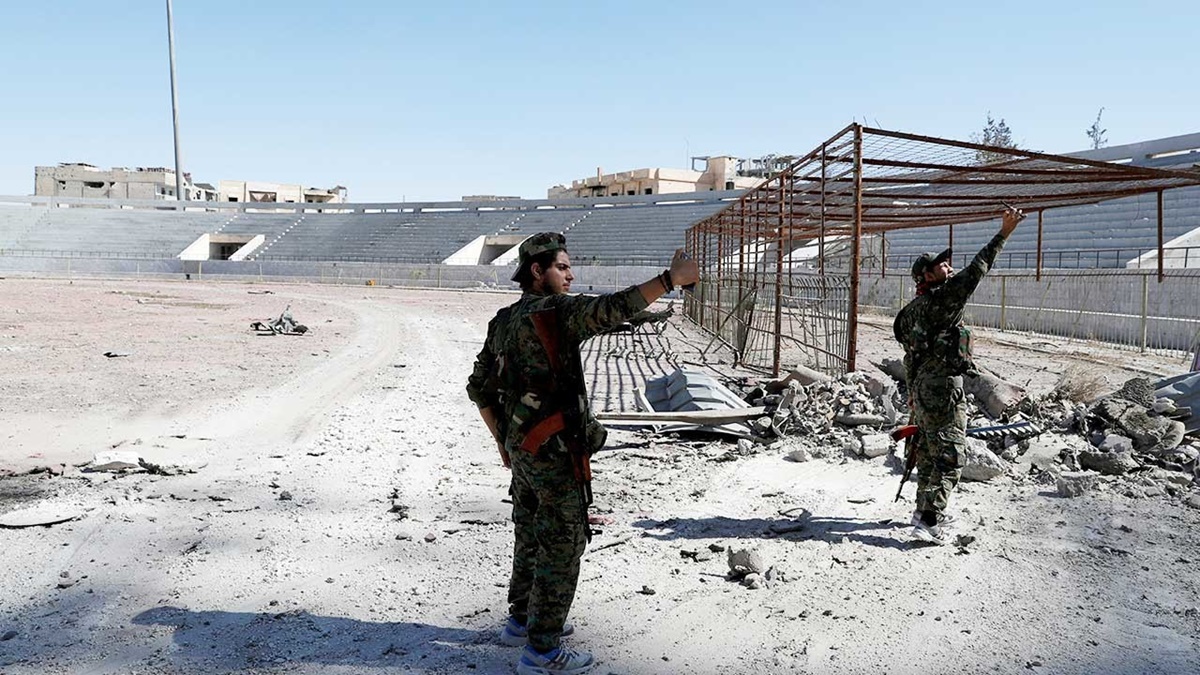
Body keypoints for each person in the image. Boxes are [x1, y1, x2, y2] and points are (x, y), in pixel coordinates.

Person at [466, 232, 698, 675]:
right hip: (553, 451)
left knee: (530, 529)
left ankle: (521, 620)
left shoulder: (504, 320)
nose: (571, 275)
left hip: (523, 447)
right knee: (563, 540)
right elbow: (613, 307)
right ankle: (542, 650)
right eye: (562, 267)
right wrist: (671, 278)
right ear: (537, 271)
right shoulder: (557, 313)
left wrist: (503, 443)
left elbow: (479, 388)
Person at [892, 207, 1024, 545]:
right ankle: (930, 519)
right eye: (941, 265)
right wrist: (1004, 233)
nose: (948, 267)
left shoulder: (909, 313)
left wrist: (912, 392)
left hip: (922, 389)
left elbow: (911, 355)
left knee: (928, 451)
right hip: (943, 389)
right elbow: (978, 269)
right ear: (927, 276)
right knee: (951, 457)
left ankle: (923, 510)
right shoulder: (945, 300)